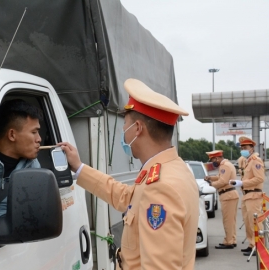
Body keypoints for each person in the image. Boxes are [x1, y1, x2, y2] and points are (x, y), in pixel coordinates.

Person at [59, 79, 199, 270]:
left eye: (125, 124)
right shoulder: (172, 169)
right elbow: (126, 197)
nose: (124, 131)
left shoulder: (161, 186)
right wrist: (79, 167)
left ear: (138, 128)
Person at [229, 136, 265, 255]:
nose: (243, 149)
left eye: (245, 147)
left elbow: (259, 178)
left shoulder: (256, 160)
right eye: (242, 147)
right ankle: (252, 244)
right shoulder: (247, 161)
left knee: (255, 222)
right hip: (246, 195)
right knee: (248, 222)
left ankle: (259, 246)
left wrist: (243, 183)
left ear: (252, 148)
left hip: (254, 194)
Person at [203, 150, 239, 249]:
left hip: (228, 195)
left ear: (217, 158)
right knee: (231, 220)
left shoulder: (224, 166)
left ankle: (229, 242)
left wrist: (212, 185)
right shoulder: (226, 164)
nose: (212, 162)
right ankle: (232, 239)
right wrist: (210, 178)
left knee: (228, 220)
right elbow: (220, 177)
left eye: (213, 160)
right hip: (229, 194)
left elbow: (223, 181)